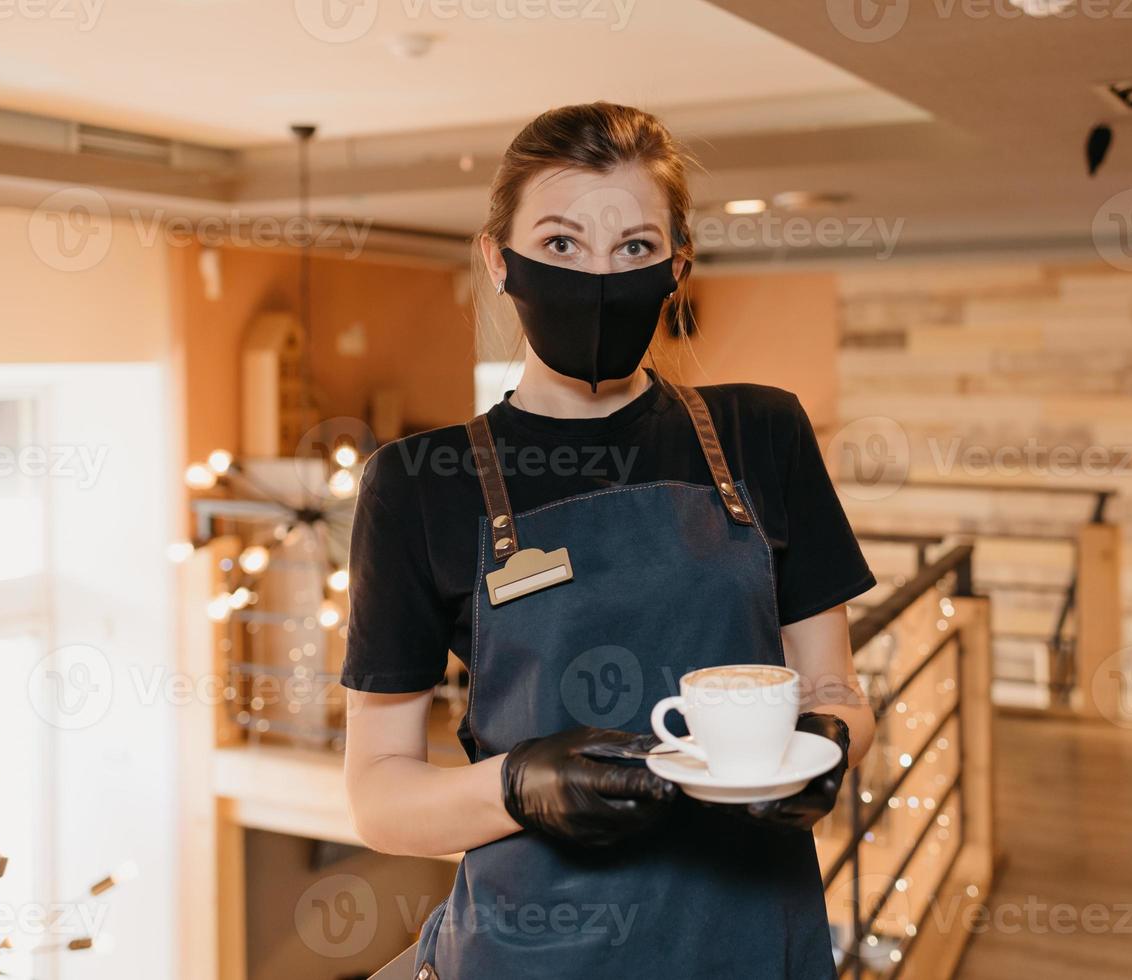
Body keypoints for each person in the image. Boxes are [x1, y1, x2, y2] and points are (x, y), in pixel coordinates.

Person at [341, 101, 876, 980]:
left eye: (634, 248)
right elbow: (379, 797)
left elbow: (833, 688)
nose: (598, 276)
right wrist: (517, 785)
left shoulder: (764, 434)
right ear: (497, 259)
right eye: (559, 244)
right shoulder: (418, 484)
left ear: (677, 267)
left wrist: (832, 747)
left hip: (749, 941)